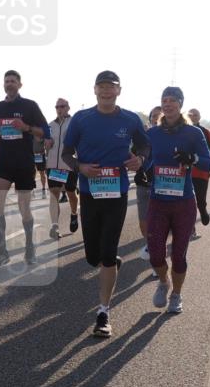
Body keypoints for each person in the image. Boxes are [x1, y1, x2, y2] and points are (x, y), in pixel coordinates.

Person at [62, 71, 148, 337]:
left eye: (111, 87)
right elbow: (66, 153)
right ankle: (109, 263)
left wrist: (140, 160)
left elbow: (145, 147)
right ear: (94, 90)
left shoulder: (131, 119)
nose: (106, 91)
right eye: (102, 87)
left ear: (119, 91)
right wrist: (80, 167)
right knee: (92, 257)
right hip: (89, 193)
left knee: (108, 253)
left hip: (117, 193)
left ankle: (103, 312)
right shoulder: (82, 118)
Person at [145, 87, 210, 314]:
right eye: (164, 100)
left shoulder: (194, 133)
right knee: (155, 253)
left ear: (180, 104)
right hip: (158, 201)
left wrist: (191, 158)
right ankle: (164, 282)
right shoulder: (152, 134)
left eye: (172, 100)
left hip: (183, 202)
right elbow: (145, 158)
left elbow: (208, 163)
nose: (168, 104)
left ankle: (176, 294)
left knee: (179, 254)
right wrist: (141, 170)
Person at [0, 70, 50, 268]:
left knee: (24, 208)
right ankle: (2, 251)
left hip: (24, 162)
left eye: (13, 81)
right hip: (4, 162)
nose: (9, 84)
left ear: (20, 85)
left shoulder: (30, 106)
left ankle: (29, 248)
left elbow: (44, 131)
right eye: (6, 81)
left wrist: (26, 127)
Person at [45, 98, 79, 239]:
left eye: (62, 106)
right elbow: (44, 143)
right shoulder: (50, 125)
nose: (59, 109)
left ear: (68, 107)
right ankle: (55, 226)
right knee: (54, 195)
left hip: (68, 165)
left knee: (71, 193)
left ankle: (73, 214)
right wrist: (46, 143)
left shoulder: (74, 123)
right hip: (53, 165)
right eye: (57, 106)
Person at [135, 106, 163, 259]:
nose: (156, 119)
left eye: (160, 116)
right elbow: (133, 154)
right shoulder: (143, 136)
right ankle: (151, 247)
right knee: (143, 223)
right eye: (154, 116)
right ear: (150, 119)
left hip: (161, 186)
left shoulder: (170, 137)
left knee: (159, 223)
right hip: (142, 183)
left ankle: (156, 255)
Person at [187, 108, 210, 226]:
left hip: (201, 173)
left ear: (199, 118)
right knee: (186, 203)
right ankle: (190, 227)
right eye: (190, 115)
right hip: (184, 173)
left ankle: (203, 210)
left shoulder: (204, 131)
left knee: (200, 200)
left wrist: (208, 164)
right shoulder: (180, 130)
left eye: (195, 115)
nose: (192, 117)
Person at [32, 133, 48, 199]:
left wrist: (45, 152)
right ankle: (32, 191)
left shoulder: (42, 133)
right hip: (32, 156)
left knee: (42, 173)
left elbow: (47, 144)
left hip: (41, 156)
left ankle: (44, 190)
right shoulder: (30, 134)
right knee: (32, 173)